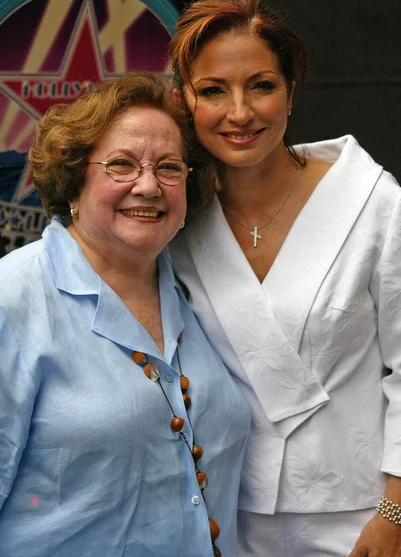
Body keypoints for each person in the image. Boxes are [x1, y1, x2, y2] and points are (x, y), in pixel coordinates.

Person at [167, 0, 401, 557]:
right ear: (184, 101)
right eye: (214, 91)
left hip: (361, 517)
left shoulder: (372, 202)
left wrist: (394, 514)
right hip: (222, 514)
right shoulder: (175, 216)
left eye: (262, 86)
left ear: (291, 93)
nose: (240, 112)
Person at [0, 70, 250, 557]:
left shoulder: (193, 289)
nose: (149, 186)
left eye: (170, 168)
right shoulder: (13, 298)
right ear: (74, 180)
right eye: (121, 165)